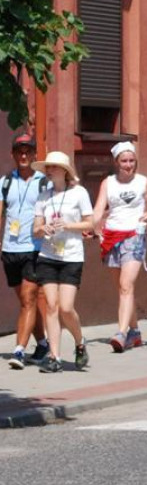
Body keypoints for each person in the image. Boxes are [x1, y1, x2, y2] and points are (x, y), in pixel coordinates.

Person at [91, 141, 147, 351]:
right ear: (116, 162)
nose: (128, 165)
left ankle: (121, 334)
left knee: (126, 285)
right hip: (112, 237)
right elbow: (98, 210)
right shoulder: (108, 183)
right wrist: (95, 227)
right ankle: (135, 332)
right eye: (124, 161)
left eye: (131, 161)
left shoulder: (143, 182)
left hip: (135, 236)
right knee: (122, 288)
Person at [31, 152, 93, 373]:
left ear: (65, 171)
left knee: (66, 308)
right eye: (47, 167)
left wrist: (67, 225)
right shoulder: (44, 196)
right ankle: (54, 356)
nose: (49, 170)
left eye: (54, 167)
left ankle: (79, 341)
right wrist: (42, 228)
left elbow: (90, 223)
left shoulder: (79, 193)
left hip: (71, 257)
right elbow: (36, 229)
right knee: (51, 305)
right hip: (48, 256)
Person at [3, 134, 50, 369]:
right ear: (13, 154)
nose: (23, 155)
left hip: (34, 248)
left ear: (34, 155)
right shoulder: (5, 182)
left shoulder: (44, 182)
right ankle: (42, 343)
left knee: (30, 298)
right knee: (24, 300)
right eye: (19, 151)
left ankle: (19, 350)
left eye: (28, 151)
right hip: (9, 249)